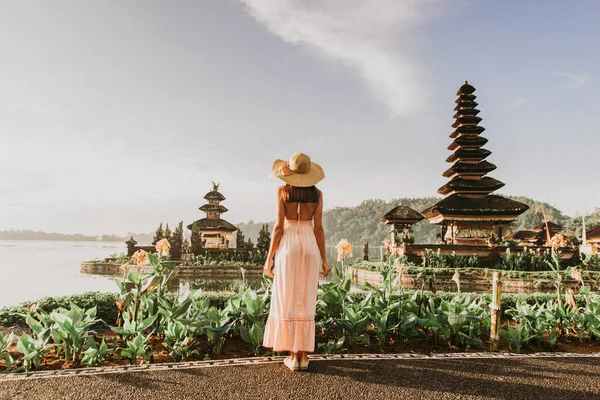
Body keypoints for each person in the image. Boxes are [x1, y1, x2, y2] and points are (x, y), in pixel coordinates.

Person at [262, 152, 331, 371]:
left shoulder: (282, 192)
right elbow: (318, 229)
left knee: (288, 298)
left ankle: (293, 356)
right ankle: (304, 356)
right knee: (306, 298)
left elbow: (278, 228)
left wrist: (269, 259)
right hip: (310, 245)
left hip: (288, 246)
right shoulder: (317, 194)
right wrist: (325, 260)